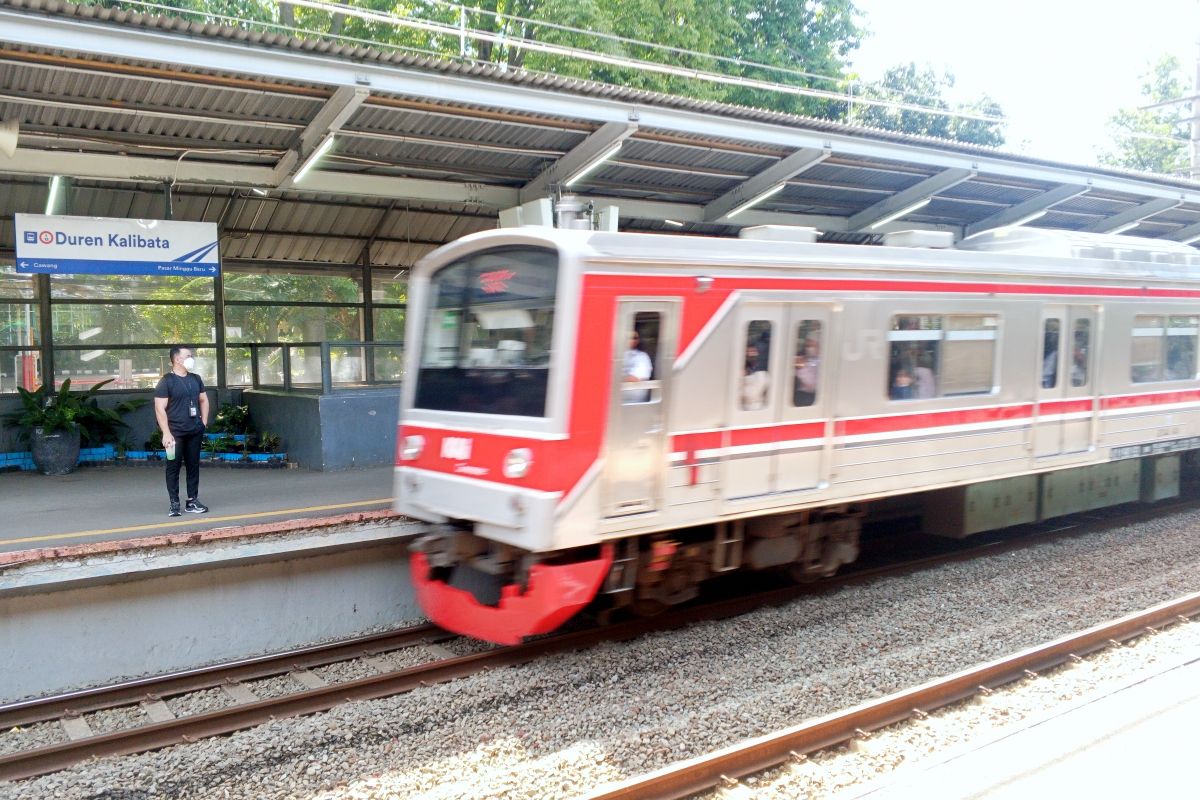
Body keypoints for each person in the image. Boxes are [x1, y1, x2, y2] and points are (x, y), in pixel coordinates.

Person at [154, 345, 210, 517]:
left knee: (193, 466)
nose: (191, 358)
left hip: (194, 431)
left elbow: (204, 400)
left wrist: (203, 423)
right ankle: (174, 503)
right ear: (177, 359)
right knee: (173, 467)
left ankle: (192, 501)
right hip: (174, 434)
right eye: (188, 356)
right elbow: (159, 408)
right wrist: (166, 432)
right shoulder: (166, 381)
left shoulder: (196, 379)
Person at [623, 330, 653, 402]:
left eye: (635, 338)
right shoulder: (614, 354)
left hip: (635, 403)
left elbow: (634, 379)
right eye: (629, 337)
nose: (632, 340)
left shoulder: (642, 356)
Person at [741, 343, 771, 410]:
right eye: (749, 352)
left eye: (754, 351)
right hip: (745, 407)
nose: (752, 354)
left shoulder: (763, 368)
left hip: (760, 407)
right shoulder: (742, 368)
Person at [793, 337, 819, 407]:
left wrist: (801, 368)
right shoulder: (805, 357)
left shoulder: (819, 362)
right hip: (798, 394)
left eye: (812, 346)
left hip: (808, 397)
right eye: (807, 346)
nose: (809, 348)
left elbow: (811, 385)